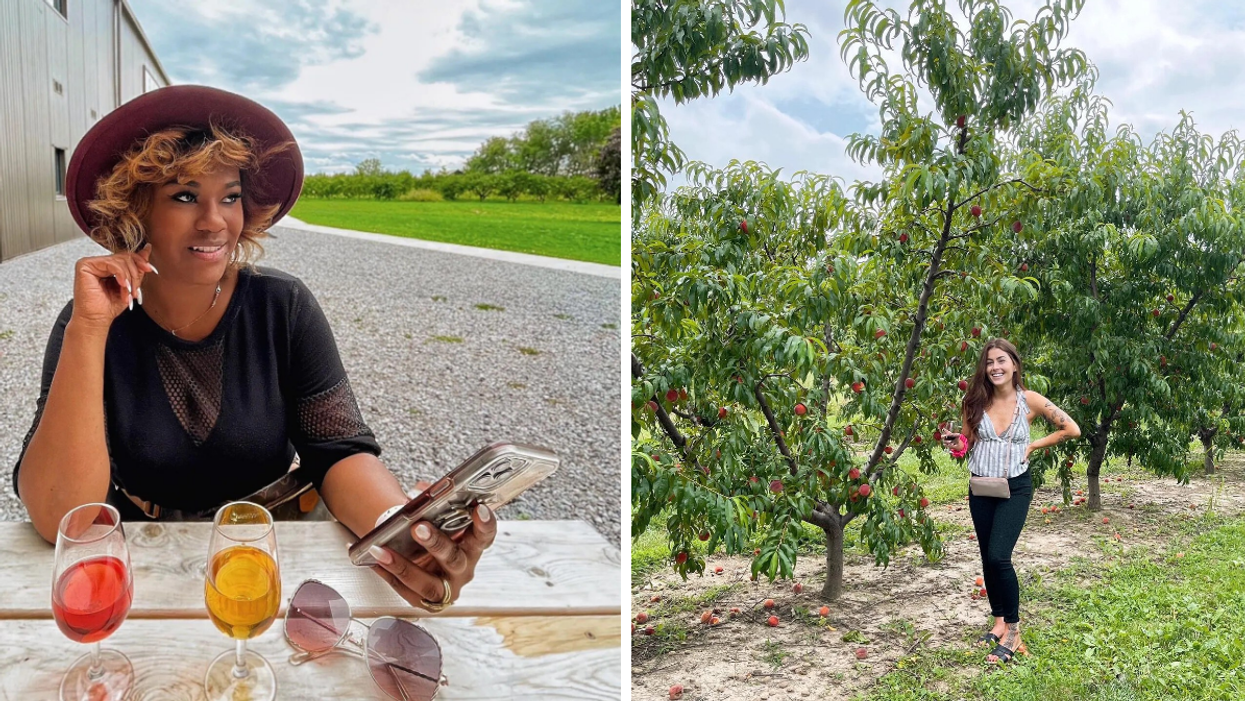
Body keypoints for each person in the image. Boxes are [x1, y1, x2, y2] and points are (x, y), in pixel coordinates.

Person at [14, 85, 494, 613]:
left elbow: (338, 449)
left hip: (277, 542)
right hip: (147, 558)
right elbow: (63, 516)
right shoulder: (91, 322)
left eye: (230, 196)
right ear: (136, 211)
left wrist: (398, 530)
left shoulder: (281, 306)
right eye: (184, 195)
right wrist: (88, 329)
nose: (215, 221)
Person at [942, 338, 1079, 663]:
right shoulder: (973, 401)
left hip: (1014, 488)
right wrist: (955, 444)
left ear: (1014, 364)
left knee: (1000, 557)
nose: (995, 367)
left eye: (1001, 360)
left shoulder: (1029, 400)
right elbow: (967, 443)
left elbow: (1071, 428)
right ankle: (999, 620)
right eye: (989, 362)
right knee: (987, 557)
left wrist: (1033, 446)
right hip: (980, 487)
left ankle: (1014, 632)